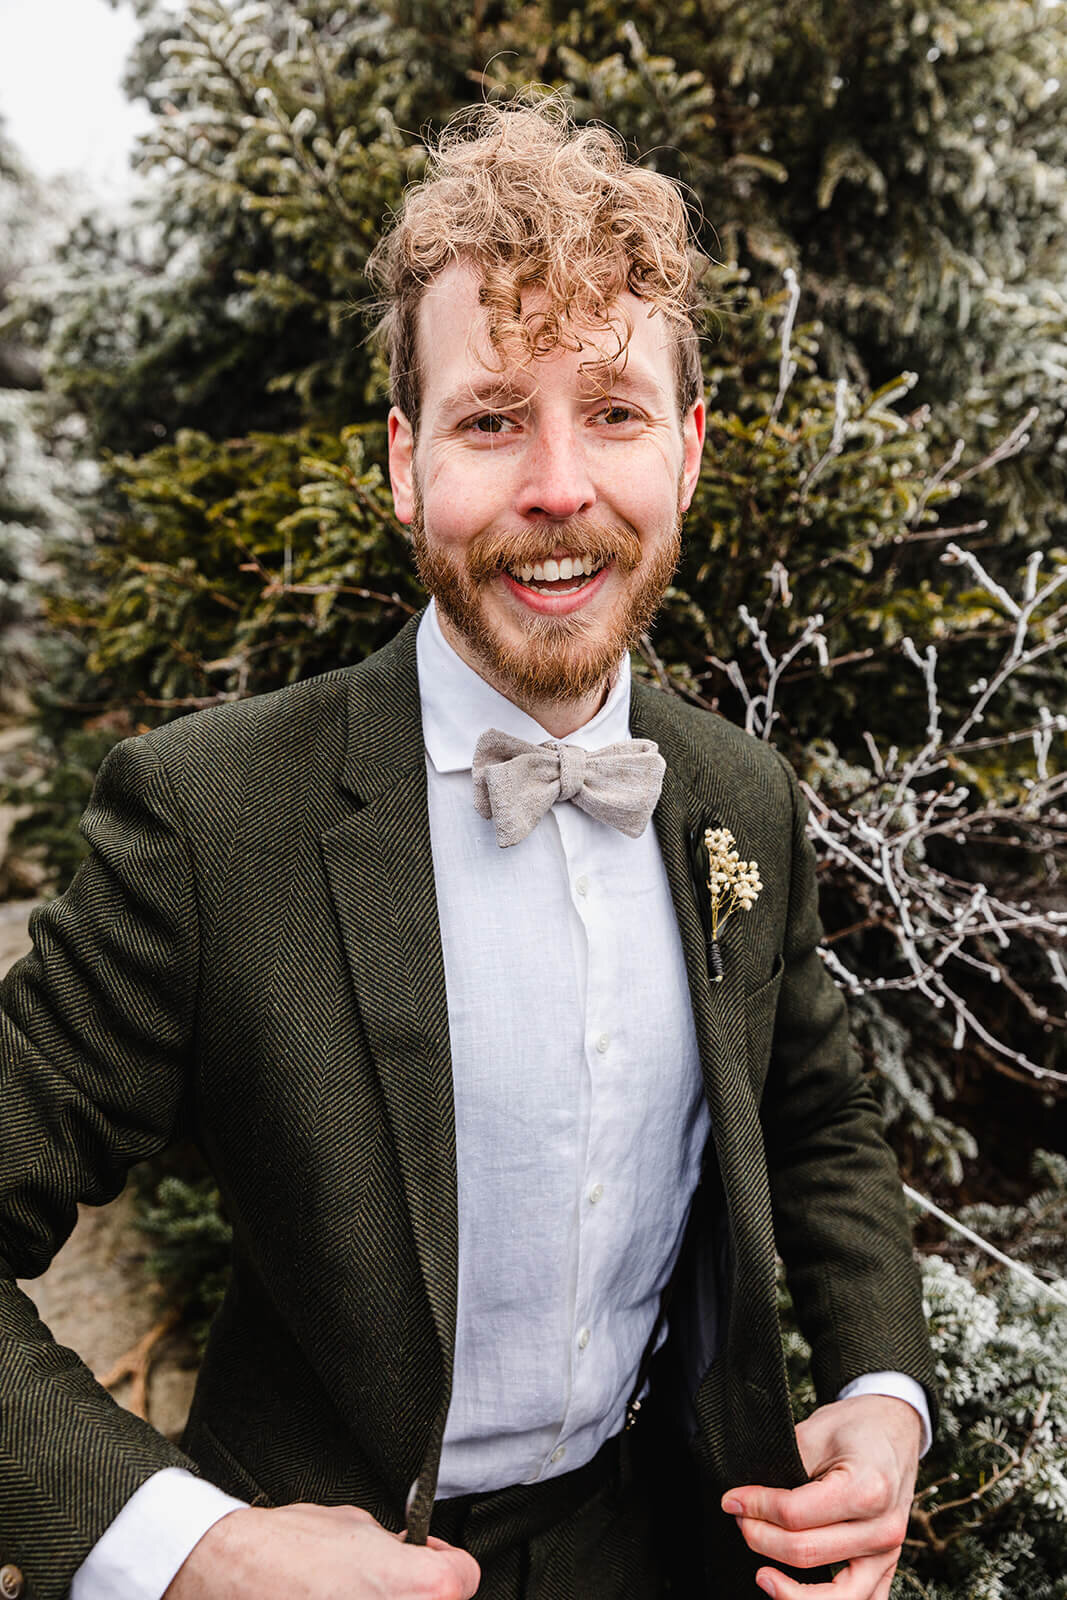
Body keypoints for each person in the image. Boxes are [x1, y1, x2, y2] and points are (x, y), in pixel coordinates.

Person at [0, 95, 936, 1600]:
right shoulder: (206, 820)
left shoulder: (739, 795)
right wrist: (191, 1546)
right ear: (402, 460)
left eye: (614, 412)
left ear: (687, 453)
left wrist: (884, 1401)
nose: (559, 487)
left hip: (668, 1549)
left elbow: (818, 1122)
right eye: (493, 417)